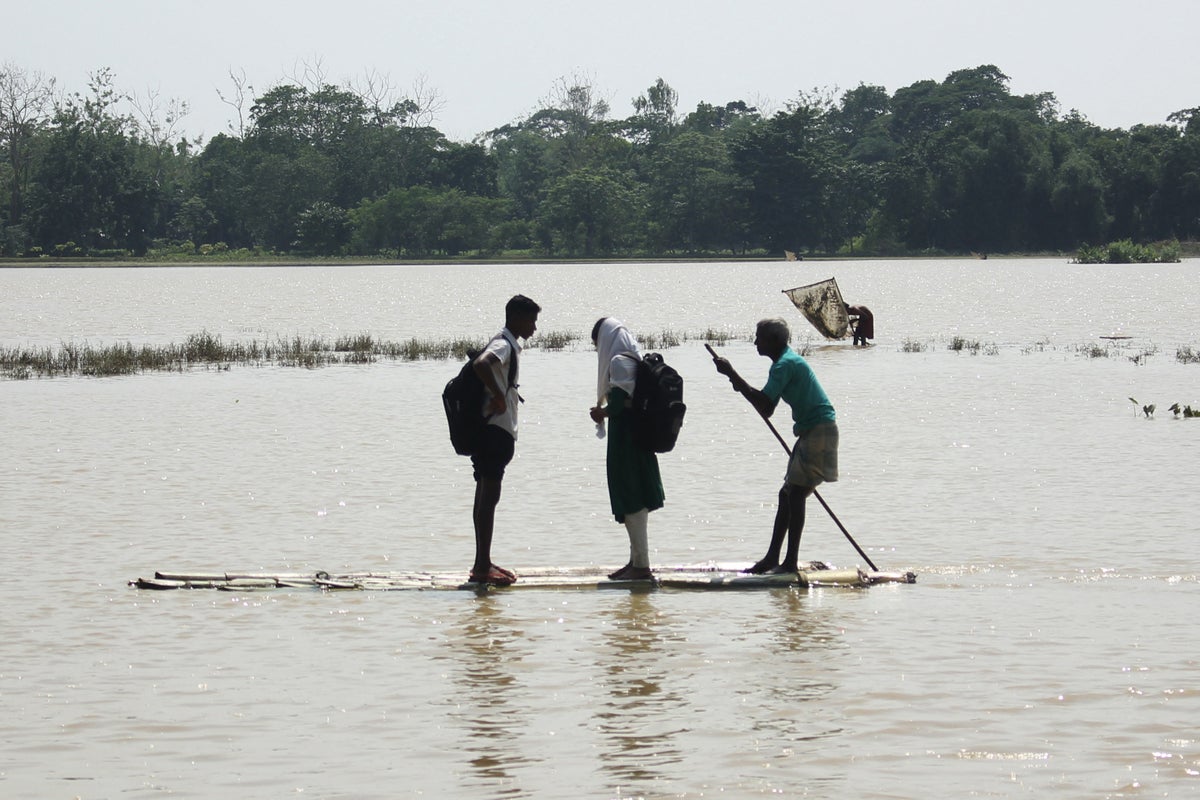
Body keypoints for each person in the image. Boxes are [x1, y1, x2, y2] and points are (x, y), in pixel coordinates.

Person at [711, 318, 838, 574]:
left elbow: (766, 407)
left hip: (819, 431)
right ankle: (772, 558)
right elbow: (764, 401)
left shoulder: (784, 365)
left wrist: (733, 374)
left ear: (775, 341)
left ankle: (789, 563)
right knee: (787, 494)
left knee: (795, 494)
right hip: (811, 431)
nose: (756, 342)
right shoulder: (785, 363)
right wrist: (738, 382)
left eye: (760, 337)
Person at [469, 294, 541, 586]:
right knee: (489, 498)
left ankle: (482, 563)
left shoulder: (506, 342)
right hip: (494, 431)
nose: (534, 328)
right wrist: (499, 396)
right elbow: (482, 364)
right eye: (532, 321)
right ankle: (483, 567)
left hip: (489, 430)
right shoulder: (503, 343)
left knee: (484, 497)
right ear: (517, 318)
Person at [589, 318, 665, 581]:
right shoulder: (634, 358)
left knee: (631, 495)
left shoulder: (618, 362)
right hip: (636, 435)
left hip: (627, 437)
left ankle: (641, 566)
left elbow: (619, 403)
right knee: (635, 494)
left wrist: (601, 412)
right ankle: (635, 561)